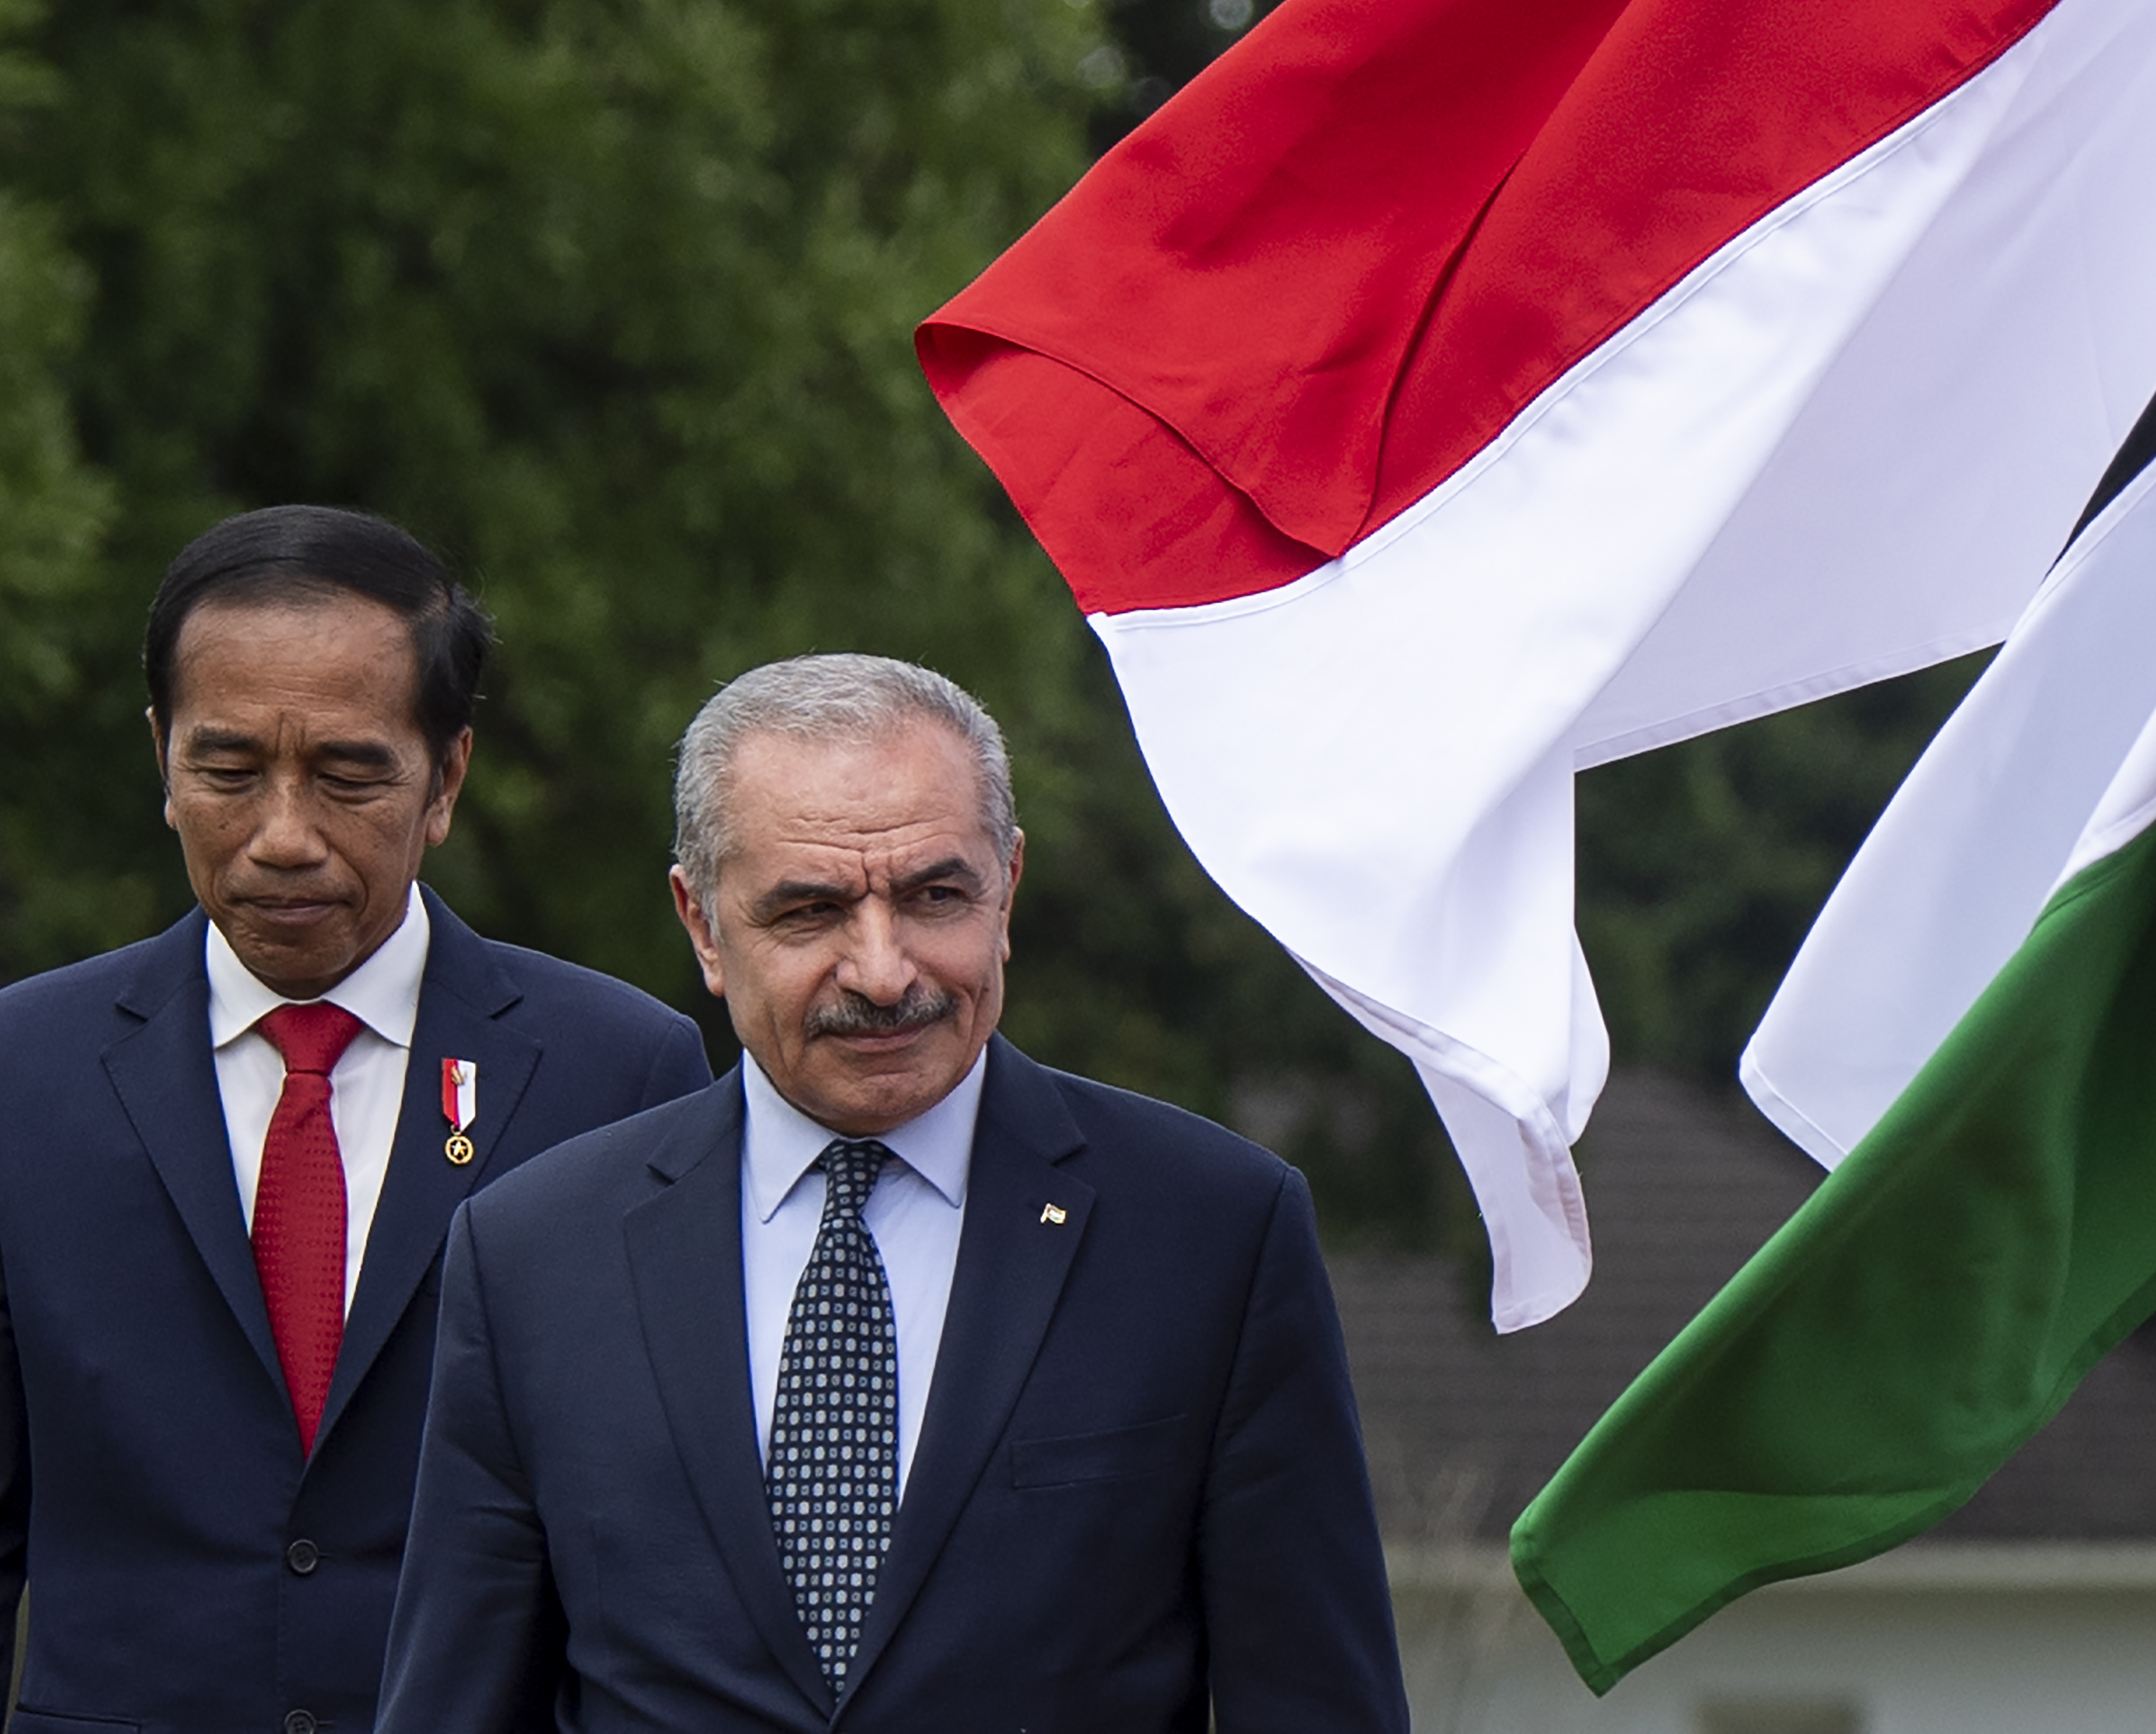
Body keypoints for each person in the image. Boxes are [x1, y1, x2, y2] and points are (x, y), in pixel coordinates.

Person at [378, 653, 1407, 1732]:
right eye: (811, 910)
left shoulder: (1212, 1233)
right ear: (701, 924)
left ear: (1007, 887)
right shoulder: (532, 1254)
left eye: (935, 895)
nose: (882, 969)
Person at [0, 506, 715, 1734]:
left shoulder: (615, 1072)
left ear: (446, 776)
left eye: (350, 774)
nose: (285, 836)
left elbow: (673, 1547)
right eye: (230, 770)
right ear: (162, 758)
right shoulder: (11, 1077)